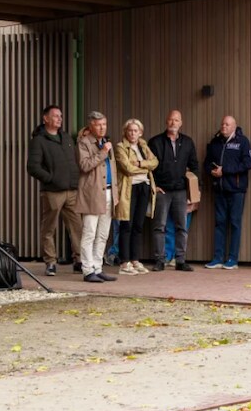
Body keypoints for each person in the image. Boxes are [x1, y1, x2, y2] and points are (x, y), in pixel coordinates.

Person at [27, 105, 82, 276]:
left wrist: (74, 180)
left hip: (71, 190)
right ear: (46, 119)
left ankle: (79, 260)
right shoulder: (39, 140)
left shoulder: (65, 137)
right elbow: (32, 167)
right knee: (49, 227)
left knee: (76, 226)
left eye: (61, 116)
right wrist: (51, 179)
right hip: (52, 191)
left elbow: (73, 160)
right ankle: (50, 262)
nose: (59, 119)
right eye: (56, 116)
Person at [148, 110, 198, 272]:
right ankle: (159, 260)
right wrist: (153, 185)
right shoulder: (155, 142)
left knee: (181, 227)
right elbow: (148, 167)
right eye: (170, 120)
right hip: (162, 191)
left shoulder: (188, 142)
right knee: (159, 226)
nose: (173, 123)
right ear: (166, 121)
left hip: (181, 191)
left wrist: (194, 193)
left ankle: (180, 260)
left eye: (176, 120)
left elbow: (194, 167)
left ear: (181, 123)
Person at [204, 115, 251, 270]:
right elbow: (206, 162)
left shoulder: (242, 142)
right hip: (219, 189)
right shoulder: (215, 142)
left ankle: (232, 259)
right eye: (222, 124)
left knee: (234, 223)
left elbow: (248, 163)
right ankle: (218, 258)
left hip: (236, 190)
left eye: (227, 124)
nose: (223, 126)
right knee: (219, 223)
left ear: (234, 126)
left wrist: (225, 171)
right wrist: (212, 171)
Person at [75, 111, 117, 283]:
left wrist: (116, 192)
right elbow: (85, 166)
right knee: (89, 232)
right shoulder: (84, 143)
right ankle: (87, 269)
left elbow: (112, 169)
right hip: (92, 194)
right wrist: (103, 153)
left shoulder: (105, 142)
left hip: (108, 192)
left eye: (104, 124)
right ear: (90, 126)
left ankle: (98, 267)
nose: (102, 128)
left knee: (103, 234)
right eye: (99, 125)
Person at [114, 119, 158, 276]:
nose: (133, 133)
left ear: (141, 132)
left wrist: (140, 163)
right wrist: (145, 168)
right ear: (125, 132)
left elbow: (155, 162)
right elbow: (126, 168)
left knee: (138, 226)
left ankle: (135, 260)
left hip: (144, 187)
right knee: (127, 225)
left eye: (136, 130)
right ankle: (124, 262)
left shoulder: (143, 146)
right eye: (130, 130)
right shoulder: (120, 147)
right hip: (129, 189)